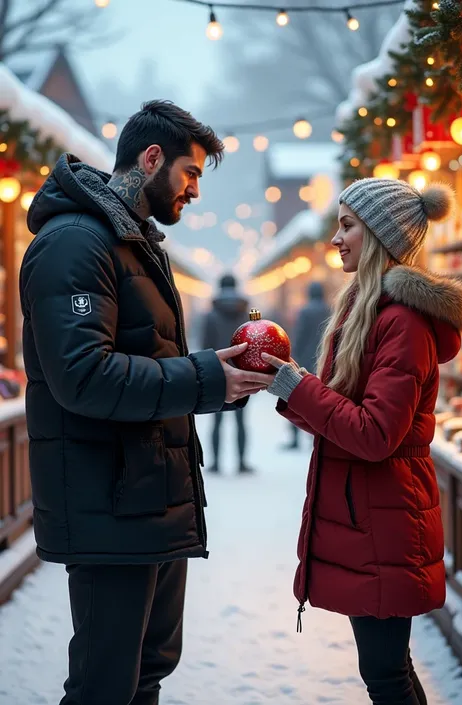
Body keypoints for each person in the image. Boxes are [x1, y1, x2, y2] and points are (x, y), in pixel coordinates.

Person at [19, 100, 274, 705]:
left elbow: (148, 362)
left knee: (145, 673)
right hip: (107, 504)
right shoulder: (75, 244)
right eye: (190, 174)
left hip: (146, 501)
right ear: (152, 157)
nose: (193, 192)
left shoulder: (133, 244)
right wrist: (205, 377)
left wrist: (220, 377)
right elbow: (82, 376)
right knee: (104, 686)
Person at [262, 178, 462, 705]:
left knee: (384, 675)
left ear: (379, 237)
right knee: (387, 670)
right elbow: (345, 421)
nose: (336, 238)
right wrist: (290, 388)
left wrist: (298, 387)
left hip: (384, 517)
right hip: (372, 516)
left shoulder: (400, 321)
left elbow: (375, 435)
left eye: (347, 225)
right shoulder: (367, 309)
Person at [201, 273, 254, 474]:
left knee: (216, 420)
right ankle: (241, 463)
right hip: (241, 373)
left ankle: (215, 463)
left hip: (217, 372)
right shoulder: (245, 314)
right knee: (241, 420)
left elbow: (205, 346)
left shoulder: (211, 315)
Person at [281, 281, 330, 451]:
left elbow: (300, 335)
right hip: (323, 357)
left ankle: (295, 437)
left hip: (305, 359)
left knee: (297, 396)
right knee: (321, 397)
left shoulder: (305, 311)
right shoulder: (329, 309)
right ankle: (318, 434)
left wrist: (293, 356)